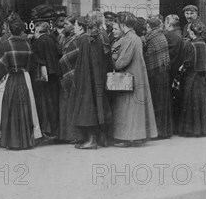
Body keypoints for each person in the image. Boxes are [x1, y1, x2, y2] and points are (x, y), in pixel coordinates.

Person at [0, 16, 42, 149]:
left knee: (10, 107)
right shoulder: (27, 44)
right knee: (26, 107)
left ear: (10, 31)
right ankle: (25, 140)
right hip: (25, 77)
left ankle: (11, 141)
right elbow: (32, 64)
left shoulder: (5, 44)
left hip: (11, 77)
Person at [111, 12, 158, 146]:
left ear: (122, 24)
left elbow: (121, 62)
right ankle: (137, 136)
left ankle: (129, 138)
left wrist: (113, 61)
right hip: (137, 76)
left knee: (128, 108)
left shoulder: (129, 38)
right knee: (135, 108)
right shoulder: (135, 37)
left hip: (129, 77)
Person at [68, 16, 112, 149]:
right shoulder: (102, 37)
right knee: (100, 104)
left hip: (88, 79)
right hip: (100, 78)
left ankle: (92, 139)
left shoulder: (86, 40)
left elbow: (83, 63)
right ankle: (102, 138)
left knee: (88, 107)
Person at [179, 21, 206, 137]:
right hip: (201, 76)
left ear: (192, 32)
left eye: (189, 29)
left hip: (192, 76)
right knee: (201, 101)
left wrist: (182, 67)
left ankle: (192, 129)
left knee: (191, 101)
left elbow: (188, 62)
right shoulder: (202, 43)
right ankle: (202, 128)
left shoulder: (191, 44)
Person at [31, 21, 61, 140]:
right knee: (53, 103)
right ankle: (54, 130)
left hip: (42, 77)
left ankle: (46, 130)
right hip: (54, 74)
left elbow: (37, 59)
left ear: (38, 31)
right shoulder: (52, 40)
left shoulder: (38, 42)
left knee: (43, 104)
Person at [144, 17, 173, 139]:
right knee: (164, 102)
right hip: (163, 71)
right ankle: (165, 130)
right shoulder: (161, 35)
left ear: (150, 26)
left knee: (157, 103)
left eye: (147, 27)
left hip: (155, 74)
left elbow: (149, 55)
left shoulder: (152, 38)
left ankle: (159, 131)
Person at [57, 15, 83, 143]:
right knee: (66, 106)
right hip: (67, 74)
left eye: (67, 24)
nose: (64, 26)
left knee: (71, 105)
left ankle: (73, 135)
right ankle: (67, 135)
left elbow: (65, 58)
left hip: (72, 74)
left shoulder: (76, 39)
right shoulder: (65, 37)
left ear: (74, 25)